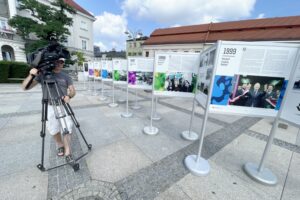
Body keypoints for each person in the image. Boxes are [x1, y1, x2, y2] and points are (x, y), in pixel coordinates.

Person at [22, 58, 76, 163]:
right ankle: (60, 144)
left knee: (67, 127)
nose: (59, 64)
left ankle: (68, 152)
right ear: (52, 62)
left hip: (62, 105)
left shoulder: (66, 76)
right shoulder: (43, 75)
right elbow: (25, 87)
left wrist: (69, 96)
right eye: (57, 61)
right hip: (49, 106)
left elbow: (73, 91)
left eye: (62, 62)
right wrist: (31, 75)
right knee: (53, 129)